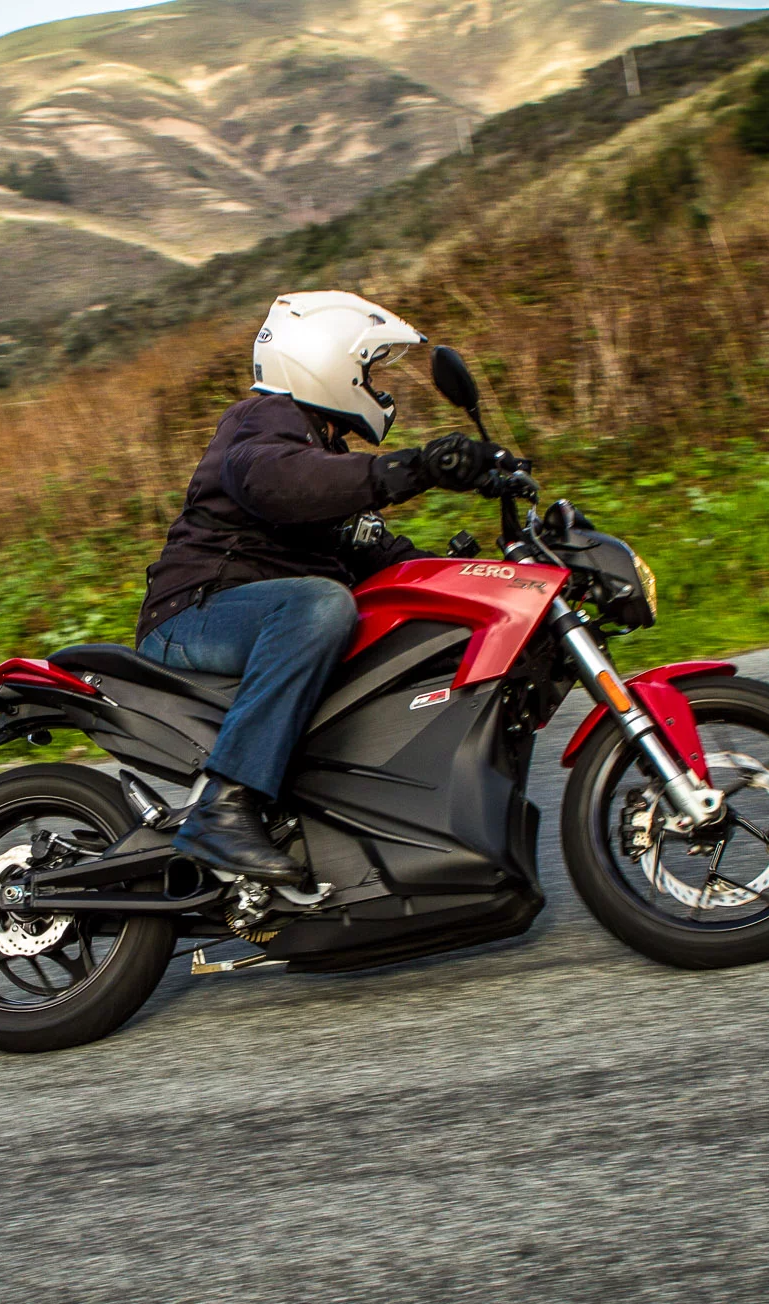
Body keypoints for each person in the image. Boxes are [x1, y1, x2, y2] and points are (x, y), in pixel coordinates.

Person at [135, 291, 501, 882]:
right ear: (328, 359)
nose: (380, 388)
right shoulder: (268, 420)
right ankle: (223, 808)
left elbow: (382, 554)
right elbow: (275, 480)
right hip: (196, 612)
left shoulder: (324, 454)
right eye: (370, 369)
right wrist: (412, 468)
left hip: (248, 615)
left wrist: (476, 576)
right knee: (322, 604)